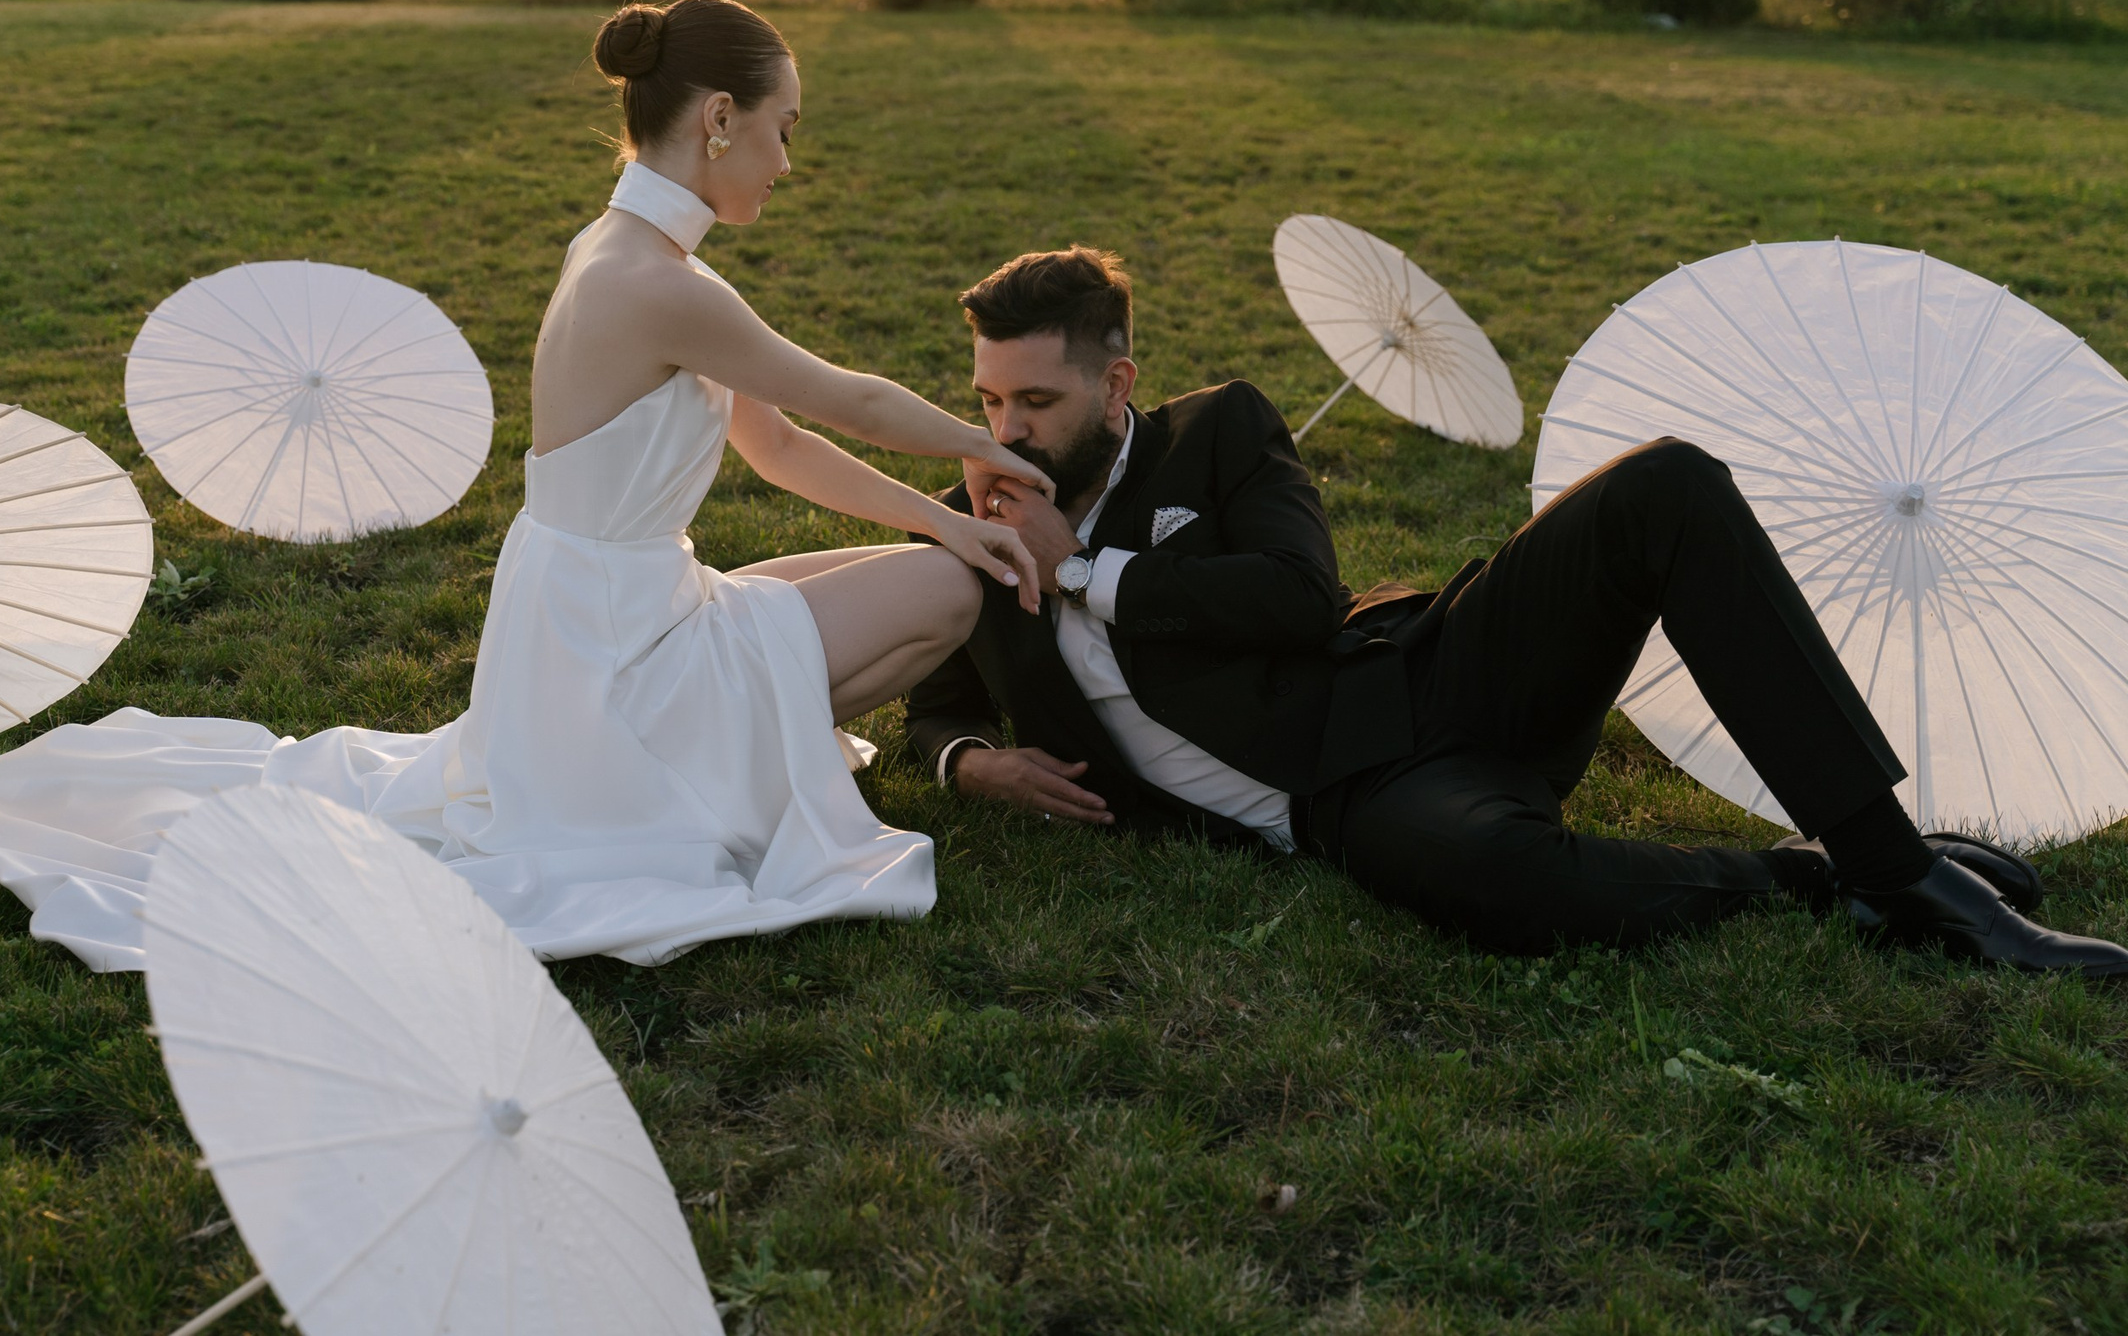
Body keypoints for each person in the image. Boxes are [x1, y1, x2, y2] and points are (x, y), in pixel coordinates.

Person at [0, 0, 1052, 967]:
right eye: (783, 129)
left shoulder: (626, 250)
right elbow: (844, 400)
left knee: (923, 565)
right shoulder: (656, 283)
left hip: (601, 614)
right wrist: (996, 456)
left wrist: (938, 518)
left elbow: (774, 446)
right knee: (949, 596)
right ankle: (712, 774)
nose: (787, 160)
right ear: (719, 116)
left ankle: (720, 749)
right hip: (611, 650)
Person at [906, 246, 2128, 975]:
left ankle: (1897, 872)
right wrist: (967, 765)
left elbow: (1293, 599)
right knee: (1497, 881)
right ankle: (1811, 880)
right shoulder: (970, 516)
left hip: (1420, 672)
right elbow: (934, 693)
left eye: (1035, 401)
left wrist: (1080, 568)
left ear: (1113, 384)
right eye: (987, 400)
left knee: (1664, 487)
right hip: (1347, 805)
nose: (1005, 432)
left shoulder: (1212, 431)